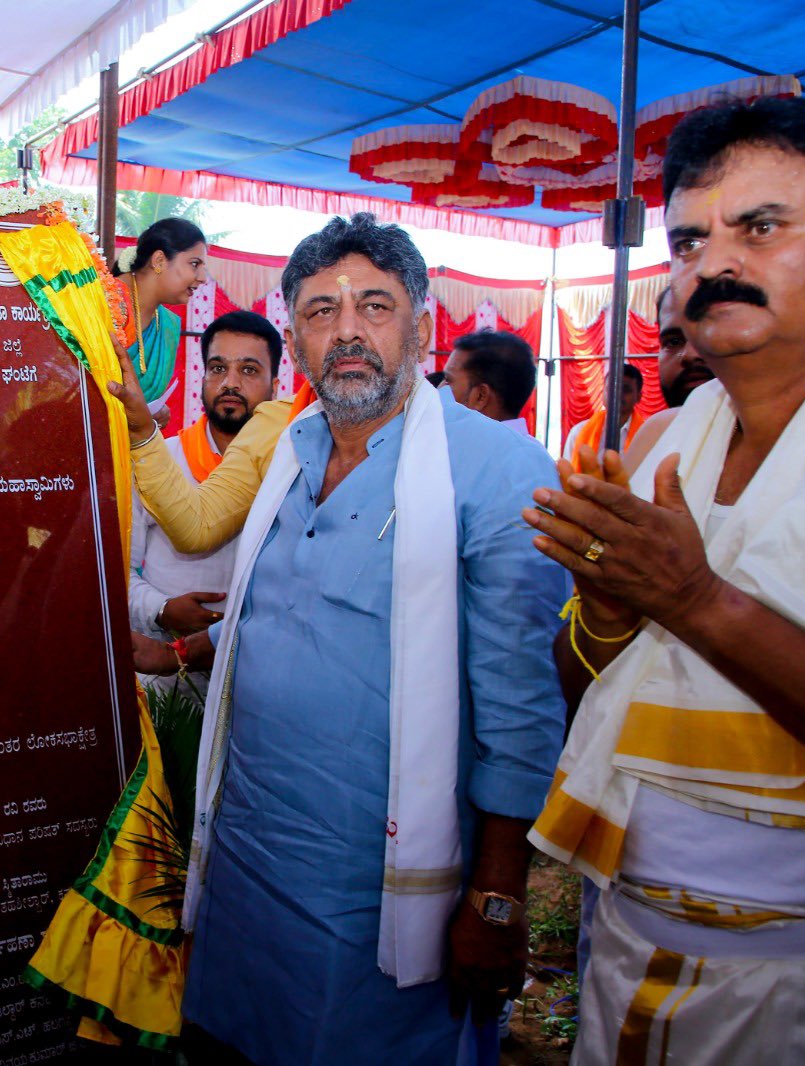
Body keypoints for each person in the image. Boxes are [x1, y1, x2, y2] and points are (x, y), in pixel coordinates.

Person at [523, 96, 805, 1063]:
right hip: (621, 943)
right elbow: (591, 693)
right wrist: (611, 609)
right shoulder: (660, 439)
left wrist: (693, 600)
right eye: (691, 240)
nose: (716, 264)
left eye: (762, 227)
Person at [156, 214, 566, 1063]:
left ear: (421, 323)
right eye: (318, 311)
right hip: (250, 860)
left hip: (379, 890)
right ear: (298, 341)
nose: (347, 330)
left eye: (374, 305)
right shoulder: (290, 448)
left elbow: (521, 712)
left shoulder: (496, 468)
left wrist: (497, 896)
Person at [128, 311, 279, 693]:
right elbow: (115, 575)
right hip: (164, 680)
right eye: (217, 368)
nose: (230, 383)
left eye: (248, 370)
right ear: (202, 378)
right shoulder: (159, 459)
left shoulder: (289, 471)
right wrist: (162, 609)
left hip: (253, 678)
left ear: (275, 386)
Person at [108, 218, 209, 413]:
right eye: (194, 264)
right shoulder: (105, 301)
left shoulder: (168, 325)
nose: (203, 278)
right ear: (159, 261)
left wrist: (153, 415)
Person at [623, 286, 713, 468]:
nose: (689, 354)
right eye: (674, 341)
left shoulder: (784, 448)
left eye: (708, 334)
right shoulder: (655, 434)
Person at [441, 329, 539, 432]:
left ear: (480, 396)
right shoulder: (526, 446)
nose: (440, 388)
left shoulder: (466, 446)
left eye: (448, 380)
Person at [563, 362, 643, 465]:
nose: (617, 394)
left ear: (638, 397)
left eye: (625, 389)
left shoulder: (646, 434)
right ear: (603, 392)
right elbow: (568, 475)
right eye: (611, 389)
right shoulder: (579, 432)